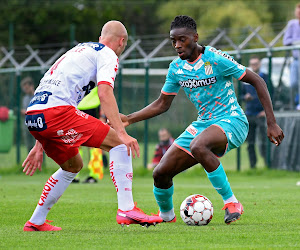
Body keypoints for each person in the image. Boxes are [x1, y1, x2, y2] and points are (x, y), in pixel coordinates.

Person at [119, 15, 284, 225]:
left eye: (182, 39)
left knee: (199, 145)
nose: (177, 45)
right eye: (173, 41)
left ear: (195, 37)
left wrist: (271, 122)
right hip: (203, 124)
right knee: (160, 173)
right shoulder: (176, 68)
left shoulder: (216, 59)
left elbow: (257, 81)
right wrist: (130, 119)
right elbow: (162, 104)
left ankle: (232, 202)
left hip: (232, 120)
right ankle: (166, 217)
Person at [22, 20, 162, 231]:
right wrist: (122, 132)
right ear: (122, 42)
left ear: (100, 38)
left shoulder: (79, 50)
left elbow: (50, 89)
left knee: (73, 166)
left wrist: (38, 143)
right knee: (119, 144)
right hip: (57, 113)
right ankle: (126, 209)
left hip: (35, 116)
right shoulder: (107, 54)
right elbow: (105, 92)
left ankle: (36, 222)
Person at [242, 56, 268, 168]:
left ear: (260, 64)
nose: (254, 66)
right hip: (249, 113)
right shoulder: (245, 79)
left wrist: (265, 111)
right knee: (250, 142)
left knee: (264, 142)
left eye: (256, 64)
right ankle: (253, 166)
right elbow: (240, 95)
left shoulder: (265, 77)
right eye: (252, 64)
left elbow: (271, 94)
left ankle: (268, 164)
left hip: (261, 114)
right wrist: (245, 97)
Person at [283, 2, 300, 110]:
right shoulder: (292, 24)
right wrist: (297, 42)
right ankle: (295, 101)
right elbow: (286, 41)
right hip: (296, 59)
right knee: (293, 83)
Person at [21, 77, 36, 152]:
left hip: (36, 125)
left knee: (37, 145)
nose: (26, 90)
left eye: (27, 88)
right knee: (29, 145)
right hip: (27, 125)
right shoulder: (25, 98)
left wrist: (27, 112)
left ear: (31, 86)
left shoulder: (37, 97)